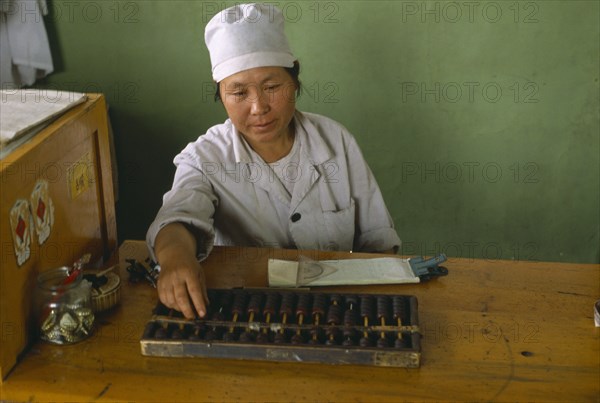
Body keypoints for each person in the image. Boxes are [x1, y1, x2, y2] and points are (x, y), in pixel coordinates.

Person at [146, 3, 401, 319]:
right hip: (248, 311)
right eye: (239, 93)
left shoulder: (336, 142)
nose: (258, 107)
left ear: (294, 79)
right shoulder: (205, 158)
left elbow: (379, 242)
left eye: (272, 87)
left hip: (337, 312)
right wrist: (174, 258)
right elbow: (178, 216)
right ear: (220, 95)